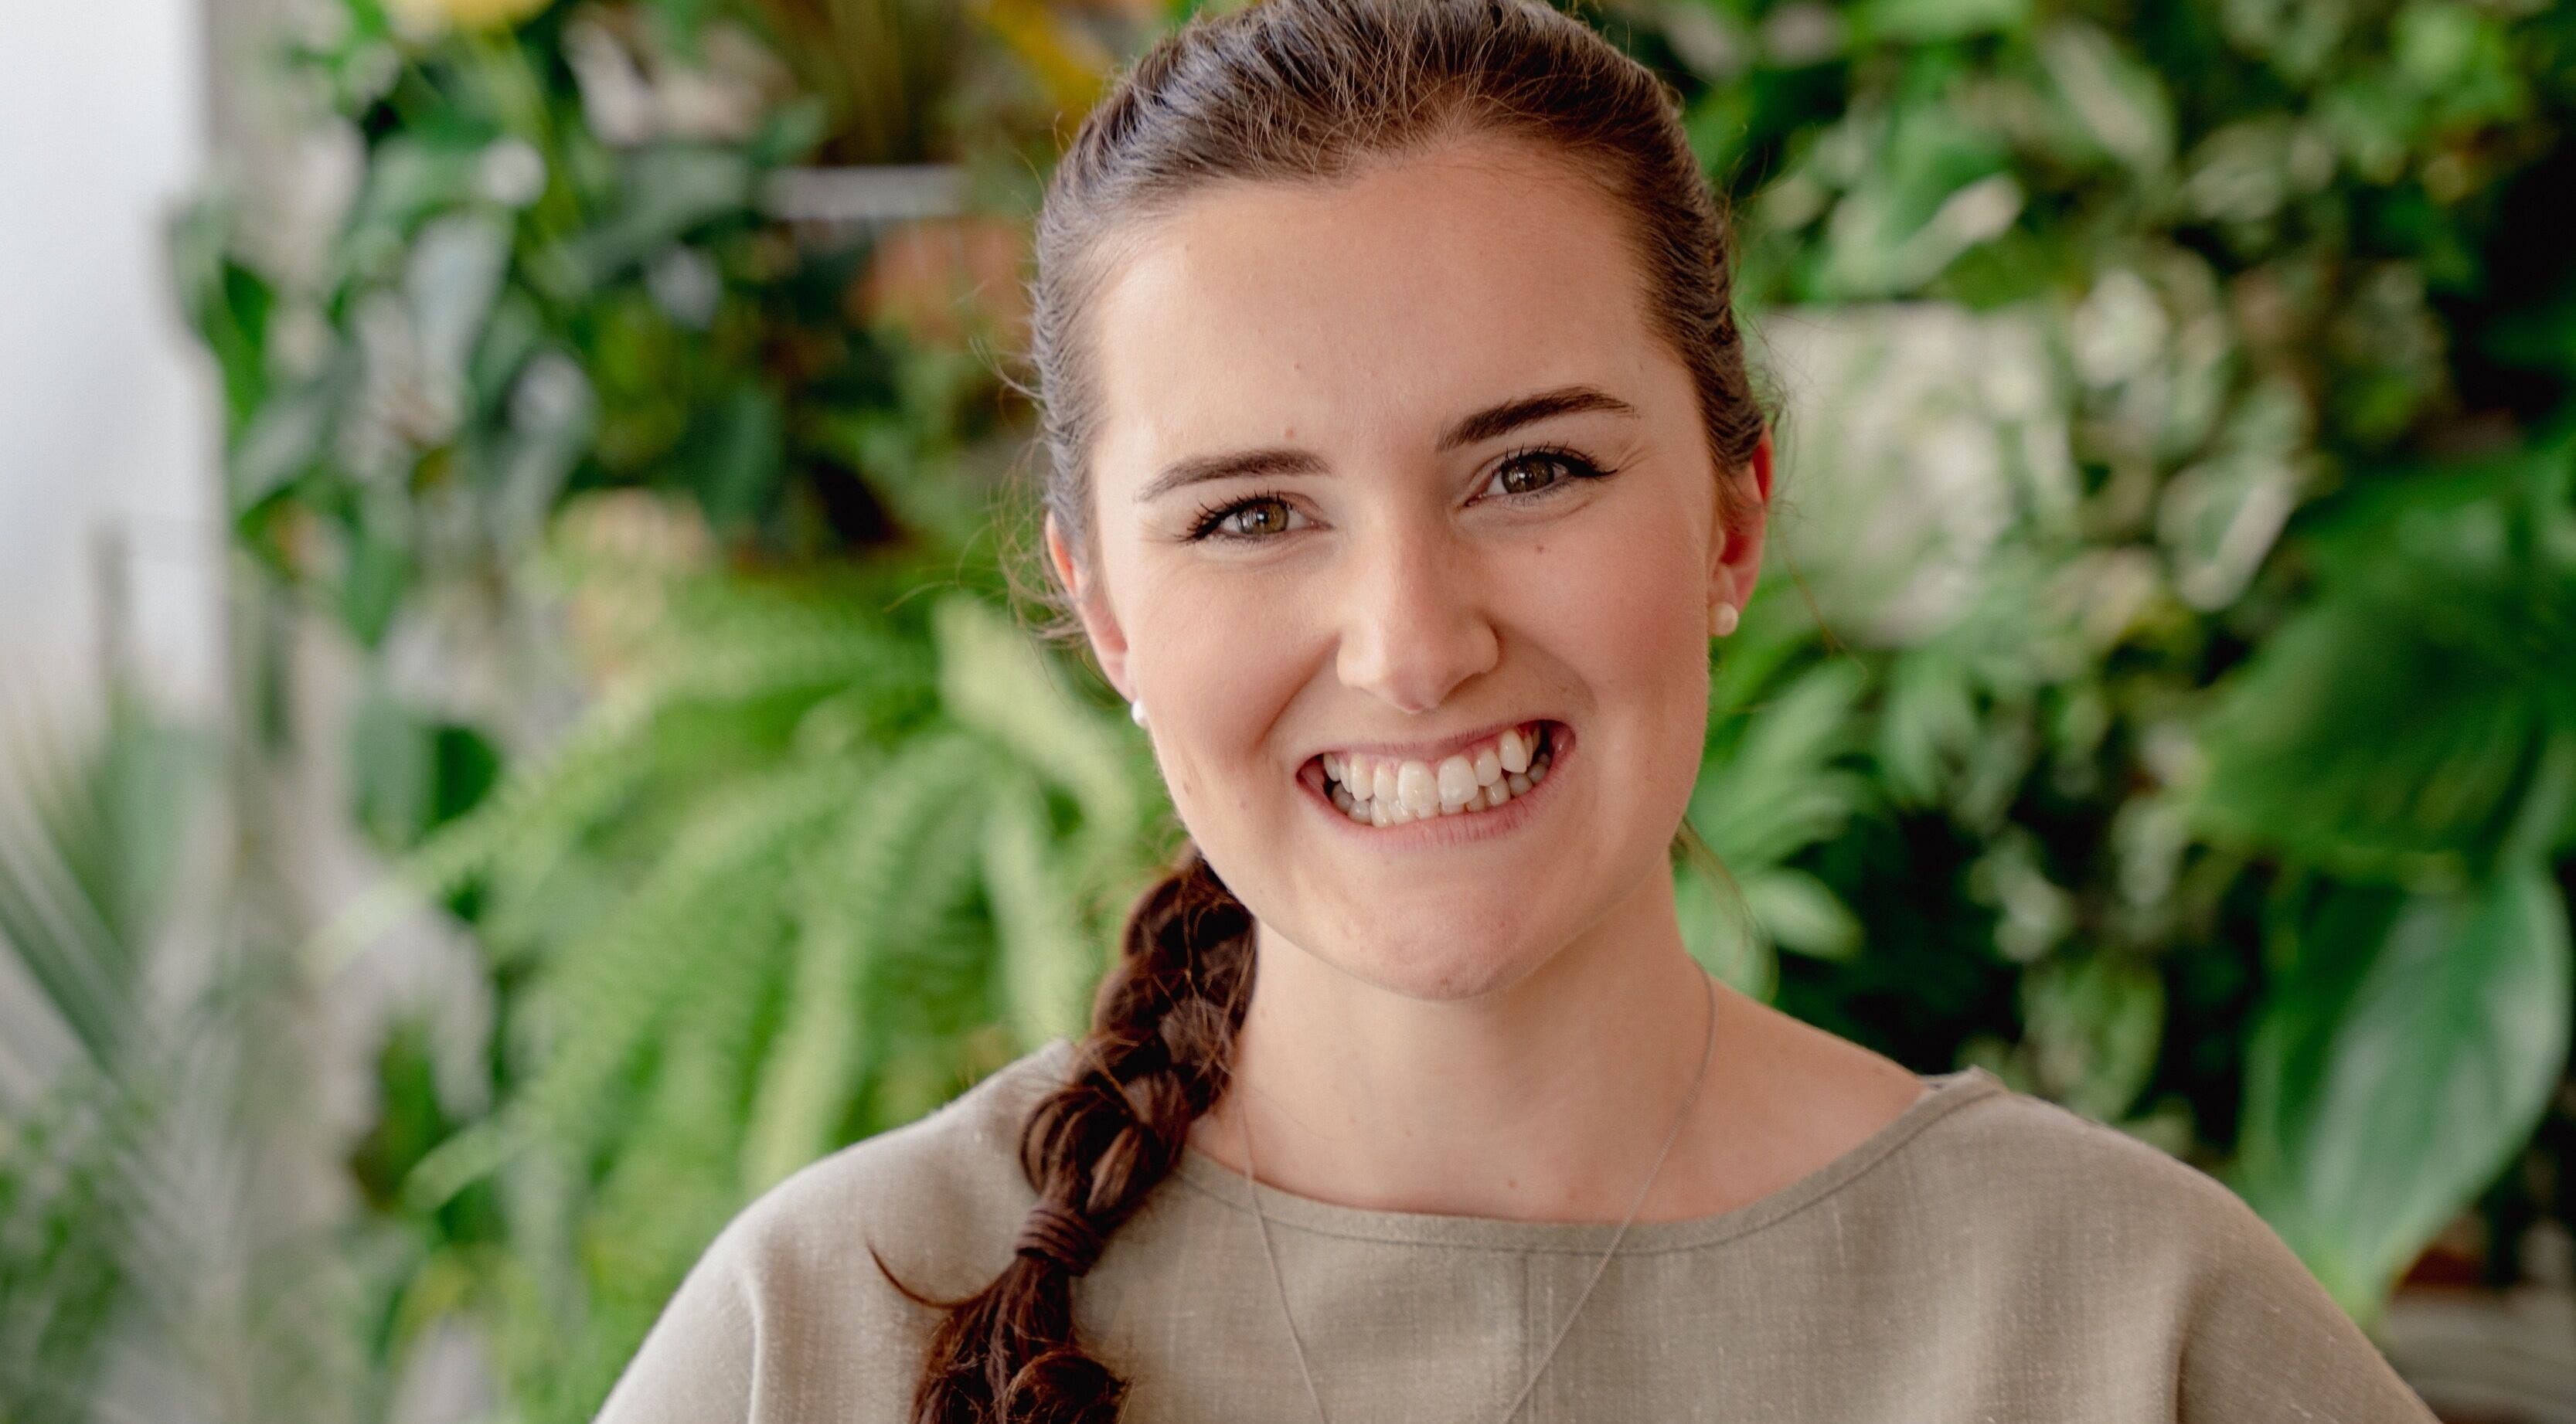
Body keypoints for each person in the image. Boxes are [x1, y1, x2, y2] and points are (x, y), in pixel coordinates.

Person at [593, 1, 2440, 1420]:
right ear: (1103, 611)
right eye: (1248, 514)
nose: (1409, 642)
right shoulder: (832, 1326)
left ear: (1730, 518)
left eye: (1530, 470)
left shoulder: (2121, 1326)